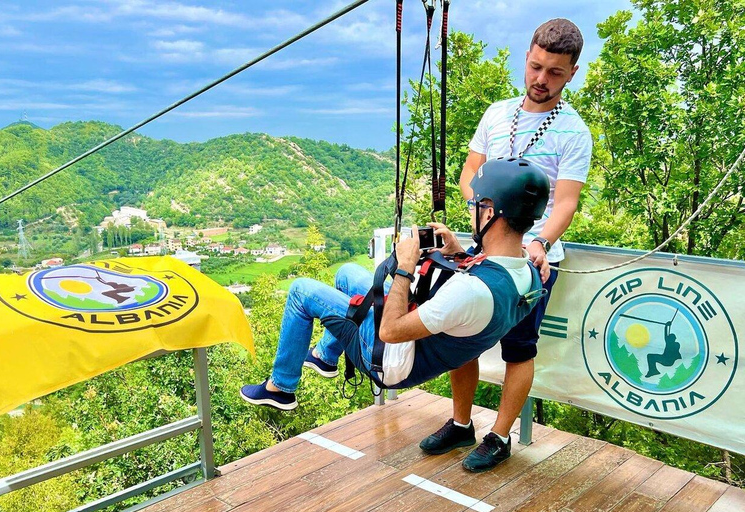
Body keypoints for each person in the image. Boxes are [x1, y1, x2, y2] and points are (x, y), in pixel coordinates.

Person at [241, 158, 550, 430]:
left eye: (475, 206)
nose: (472, 213)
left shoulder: (469, 292)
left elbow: (390, 331)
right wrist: (458, 254)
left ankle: (280, 387)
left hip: (391, 360)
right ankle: (326, 357)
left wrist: (404, 267)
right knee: (347, 273)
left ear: (489, 213)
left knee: (300, 292)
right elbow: (481, 285)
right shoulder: (530, 274)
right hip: (427, 336)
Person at [420, 18, 593, 472]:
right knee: (463, 337)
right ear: (527, 58)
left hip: (533, 262)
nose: (541, 79)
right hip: (482, 251)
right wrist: (490, 216)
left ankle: (499, 437)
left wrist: (535, 241)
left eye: (555, 72)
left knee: (519, 346)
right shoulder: (497, 114)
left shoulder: (574, 132)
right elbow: (467, 177)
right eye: (536, 67)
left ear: (572, 72)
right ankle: (461, 424)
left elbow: (565, 203)